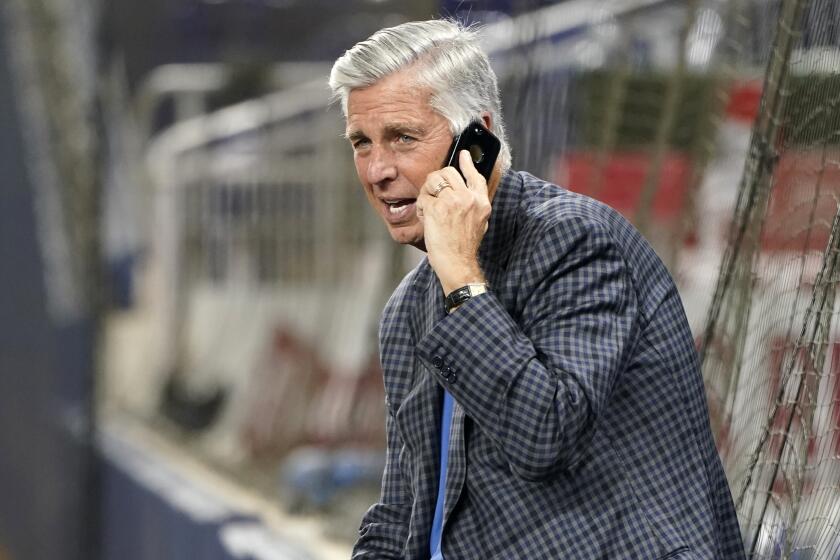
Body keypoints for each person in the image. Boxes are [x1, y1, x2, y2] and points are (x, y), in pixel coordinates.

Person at [329, 19, 745, 560]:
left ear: (475, 139)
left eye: (402, 137)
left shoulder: (576, 242)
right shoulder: (410, 308)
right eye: (362, 142)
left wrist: (461, 276)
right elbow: (404, 509)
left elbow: (544, 433)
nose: (377, 170)